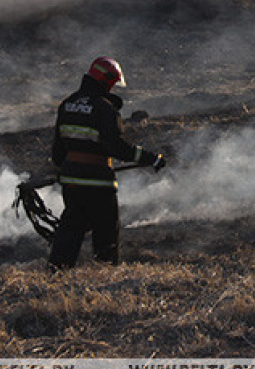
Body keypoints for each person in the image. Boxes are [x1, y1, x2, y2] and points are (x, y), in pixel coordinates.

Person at [47, 57, 167, 270]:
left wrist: (66, 170)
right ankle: (105, 274)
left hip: (71, 181)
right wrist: (151, 158)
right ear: (107, 80)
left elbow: (58, 152)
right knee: (106, 231)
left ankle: (56, 273)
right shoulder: (104, 109)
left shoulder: (67, 104)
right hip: (97, 182)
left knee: (71, 228)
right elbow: (117, 148)